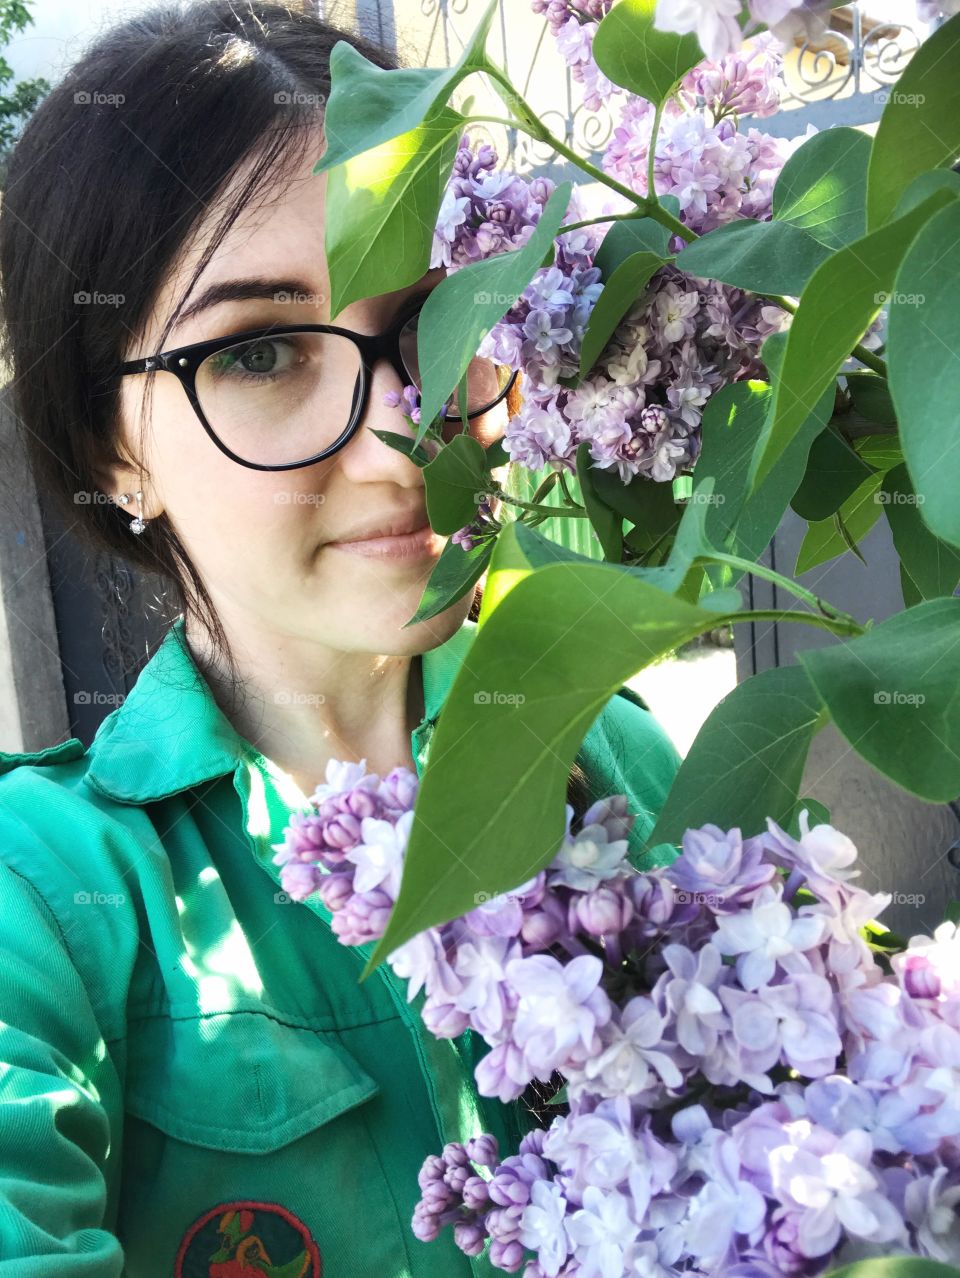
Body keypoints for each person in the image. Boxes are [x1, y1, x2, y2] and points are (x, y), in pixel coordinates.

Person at [0, 2, 682, 1273]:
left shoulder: (621, 761)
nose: (397, 439)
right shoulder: (43, 899)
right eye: (260, 350)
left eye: (435, 320)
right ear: (112, 447)